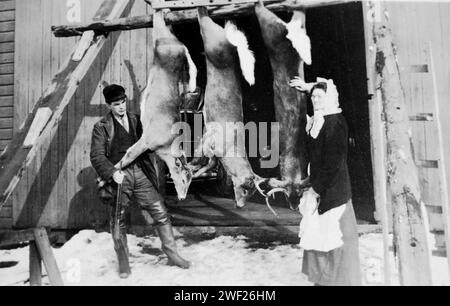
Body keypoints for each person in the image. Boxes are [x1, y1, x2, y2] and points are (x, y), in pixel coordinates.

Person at [90, 84, 190, 278]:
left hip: (141, 173)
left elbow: (150, 143)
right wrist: (111, 172)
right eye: (116, 104)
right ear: (109, 105)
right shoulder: (101, 127)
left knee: (160, 212)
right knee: (118, 220)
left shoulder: (137, 120)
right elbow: (96, 156)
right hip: (120, 176)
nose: (121, 107)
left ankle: (173, 254)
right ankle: (124, 263)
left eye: (123, 102)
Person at [290, 77, 362, 286]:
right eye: (313, 97)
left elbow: (333, 163)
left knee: (339, 240)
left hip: (333, 192)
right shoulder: (319, 120)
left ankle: (341, 282)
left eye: (320, 97)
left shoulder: (335, 123)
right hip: (320, 190)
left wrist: (315, 187)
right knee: (319, 238)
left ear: (330, 98)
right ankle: (323, 281)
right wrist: (308, 86)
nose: (315, 100)